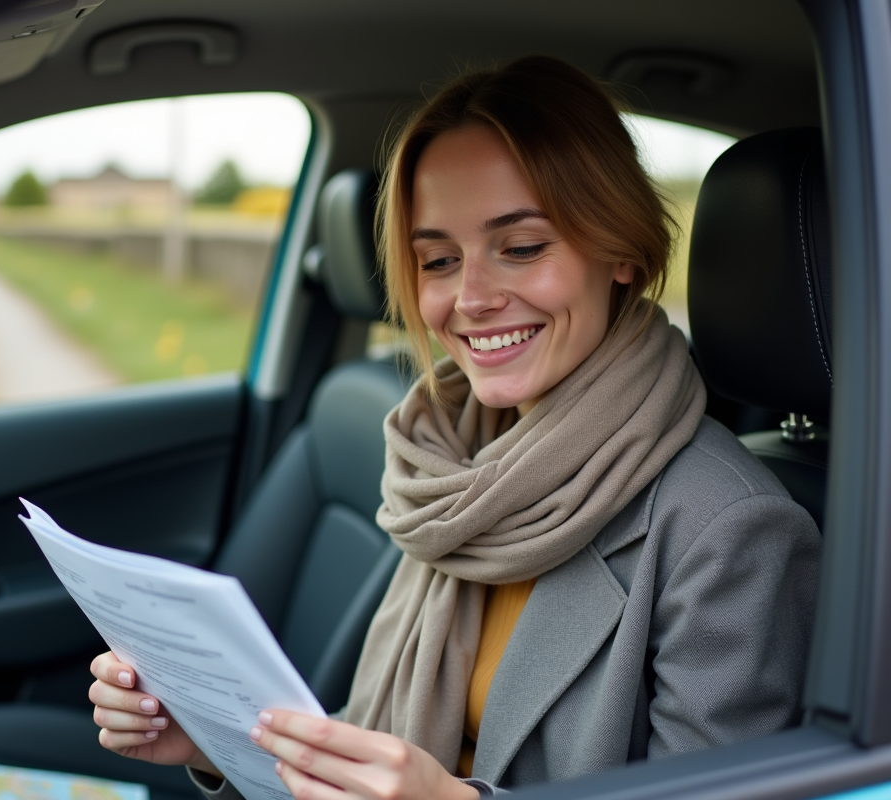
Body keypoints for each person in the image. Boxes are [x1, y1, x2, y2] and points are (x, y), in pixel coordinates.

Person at [86, 56, 821, 799]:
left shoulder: (732, 531)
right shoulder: (450, 470)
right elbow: (379, 748)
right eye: (438, 259)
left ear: (621, 252)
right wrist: (212, 740)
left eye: (522, 247)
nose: (469, 298)